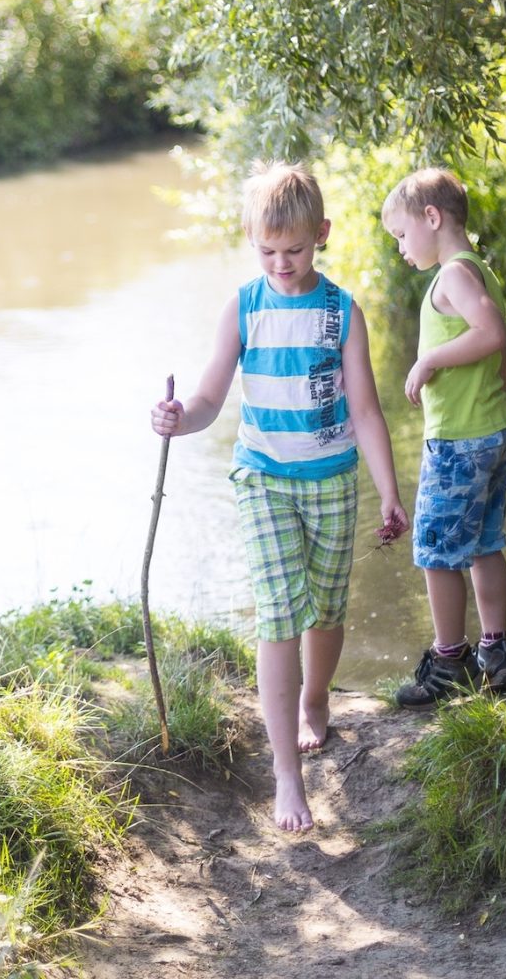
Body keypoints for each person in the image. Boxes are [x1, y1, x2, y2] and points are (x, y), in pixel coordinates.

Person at [150, 161, 407, 832]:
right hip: (262, 476)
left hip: (330, 479)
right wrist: (181, 419)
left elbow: (368, 410)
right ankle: (286, 779)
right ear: (250, 238)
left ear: (320, 235)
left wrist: (388, 492)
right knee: (279, 612)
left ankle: (315, 699)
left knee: (325, 607)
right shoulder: (243, 307)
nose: (282, 264)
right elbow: (209, 396)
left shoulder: (341, 312)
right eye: (268, 251)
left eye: (293, 250)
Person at [380, 166, 506, 709]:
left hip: (461, 441)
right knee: (485, 543)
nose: (399, 248)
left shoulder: (452, 276)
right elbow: (499, 352)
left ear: (432, 218)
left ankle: (448, 662)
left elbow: (491, 332)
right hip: (494, 431)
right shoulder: (480, 270)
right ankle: (496, 651)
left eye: (401, 234)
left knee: (436, 552)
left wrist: (429, 359)